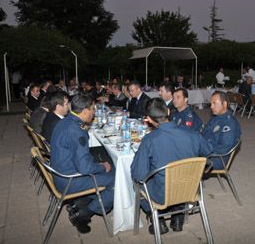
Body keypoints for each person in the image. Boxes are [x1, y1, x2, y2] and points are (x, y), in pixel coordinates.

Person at [131, 98, 212, 234]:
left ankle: (157, 218)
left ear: (149, 120)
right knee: (175, 176)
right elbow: (208, 151)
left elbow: (139, 174)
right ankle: (178, 216)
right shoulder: (192, 133)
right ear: (168, 111)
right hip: (189, 189)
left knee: (135, 181)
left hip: (163, 195)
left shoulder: (149, 140)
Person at [51, 92, 115, 234]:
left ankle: (79, 204)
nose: (94, 112)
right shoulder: (76, 130)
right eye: (93, 109)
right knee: (118, 180)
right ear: (85, 111)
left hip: (60, 174)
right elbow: (85, 168)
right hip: (69, 180)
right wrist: (102, 166)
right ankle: (84, 213)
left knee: (102, 161)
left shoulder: (65, 121)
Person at [202, 91, 241, 170]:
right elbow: (204, 133)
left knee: (182, 161)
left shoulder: (229, 123)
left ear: (224, 104)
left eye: (214, 103)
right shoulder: (216, 118)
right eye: (211, 104)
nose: (211, 106)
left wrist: (202, 148)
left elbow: (223, 147)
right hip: (207, 153)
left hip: (216, 159)